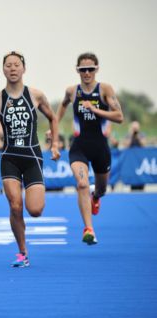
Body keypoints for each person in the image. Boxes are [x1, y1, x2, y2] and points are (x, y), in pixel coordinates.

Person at [0, 51, 60, 267]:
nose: (13, 68)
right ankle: (22, 252)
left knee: (35, 210)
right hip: (9, 158)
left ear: (24, 68)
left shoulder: (36, 95)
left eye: (17, 65)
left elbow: (53, 118)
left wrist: (54, 144)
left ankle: (33, 206)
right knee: (15, 205)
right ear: (3, 69)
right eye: (8, 65)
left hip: (32, 156)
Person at [56, 52, 123, 244]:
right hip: (79, 147)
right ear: (77, 70)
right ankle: (89, 229)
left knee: (101, 189)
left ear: (97, 69)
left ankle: (96, 197)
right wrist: (54, 129)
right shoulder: (72, 91)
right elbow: (61, 108)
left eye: (90, 69)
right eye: (82, 69)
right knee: (82, 184)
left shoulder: (105, 90)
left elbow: (120, 117)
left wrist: (95, 109)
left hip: (101, 147)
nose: (86, 73)